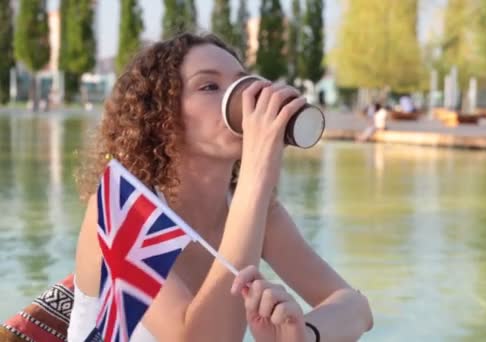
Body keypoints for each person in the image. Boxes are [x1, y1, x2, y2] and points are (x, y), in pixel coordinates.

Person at [68, 32, 373, 341]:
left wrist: (301, 335)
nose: (242, 98)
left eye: (243, 83)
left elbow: (357, 307)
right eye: (209, 86)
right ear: (162, 116)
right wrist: (257, 174)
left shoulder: (255, 208)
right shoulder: (117, 205)